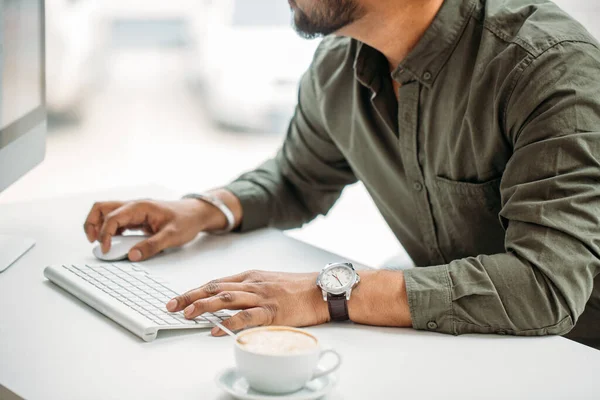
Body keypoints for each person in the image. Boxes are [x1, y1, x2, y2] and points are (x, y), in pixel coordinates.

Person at [84, 0, 600, 349]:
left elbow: (544, 285)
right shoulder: (337, 67)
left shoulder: (546, 68)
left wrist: (327, 293)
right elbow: (294, 180)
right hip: (462, 347)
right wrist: (201, 210)